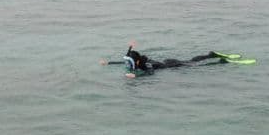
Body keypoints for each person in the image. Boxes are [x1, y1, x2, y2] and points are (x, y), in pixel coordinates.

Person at [106, 44, 252, 77]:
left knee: (195, 64)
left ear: (136, 62)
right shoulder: (138, 62)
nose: (127, 63)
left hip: (173, 65)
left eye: (129, 61)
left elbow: (150, 73)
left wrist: (136, 75)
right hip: (168, 61)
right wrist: (109, 63)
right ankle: (211, 55)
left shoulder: (146, 64)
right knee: (192, 61)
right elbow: (125, 62)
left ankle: (216, 58)